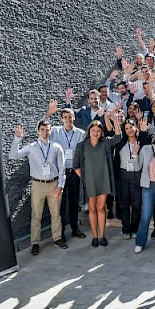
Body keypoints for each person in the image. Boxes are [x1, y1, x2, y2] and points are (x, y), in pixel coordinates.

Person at [9, 121, 67, 255]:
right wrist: (17, 139)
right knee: (36, 215)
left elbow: (62, 167)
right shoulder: (31, 147)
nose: (45, 133)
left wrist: (60, 186)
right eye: (42, 130)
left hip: (53, 184)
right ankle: (35, 243)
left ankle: (57, 238)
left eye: (47, 130)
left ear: (50, 131)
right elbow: (13, 155)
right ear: (38, 131)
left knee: (55, 214)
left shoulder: (56, 147)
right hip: (38, 185)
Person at [73, 115, 122, 247]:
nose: (95, 133)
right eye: (93, 130)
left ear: (101, 133)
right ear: (89, 131)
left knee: (101, 208)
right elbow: (76, 165)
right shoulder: (82, 145)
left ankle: (102, 236)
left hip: (103, 179)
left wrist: (115, 121)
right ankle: (95, 236)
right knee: (92, 209)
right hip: (90, 181)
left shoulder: (105, 143)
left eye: (98, 131)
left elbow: (118, 138)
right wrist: (84, 178)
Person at [45, 103, 86, 241]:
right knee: (60, 204)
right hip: (60, 173)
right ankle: (60, 233)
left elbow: (82, 153)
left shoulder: (81, 134)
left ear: (74, 117)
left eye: (70, 117)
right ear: (61, 119)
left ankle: (74, 228)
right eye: (65, 117)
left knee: (74, 202)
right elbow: (41, 128)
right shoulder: (55, 132)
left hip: (74, 172)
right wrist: (48, 114)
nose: (68, 119)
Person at [113, 120, 143, 239]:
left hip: (137, 174)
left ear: (135, 128)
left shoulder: (141, 142)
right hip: (123, 175)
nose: (129, 130)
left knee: (136, 204)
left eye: (131, 127)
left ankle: (135, 228)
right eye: (126, 128)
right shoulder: (121, 143)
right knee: (124, 204)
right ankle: (126, 229)